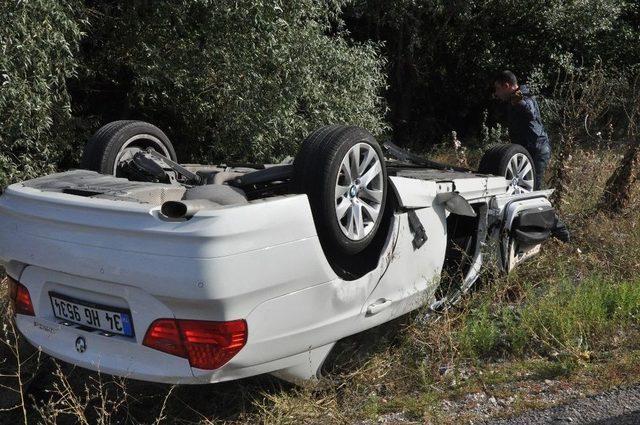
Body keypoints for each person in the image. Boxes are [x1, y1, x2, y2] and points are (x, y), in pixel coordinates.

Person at [493, 70, 551, 190]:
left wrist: (516, 99)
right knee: (520, 188)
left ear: (506, 86)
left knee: (533, 189)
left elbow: (530, 112)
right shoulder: (513, 100)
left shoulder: (523, 95)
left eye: (498, 89)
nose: (496, 93)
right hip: (525, 149)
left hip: (537, 149)